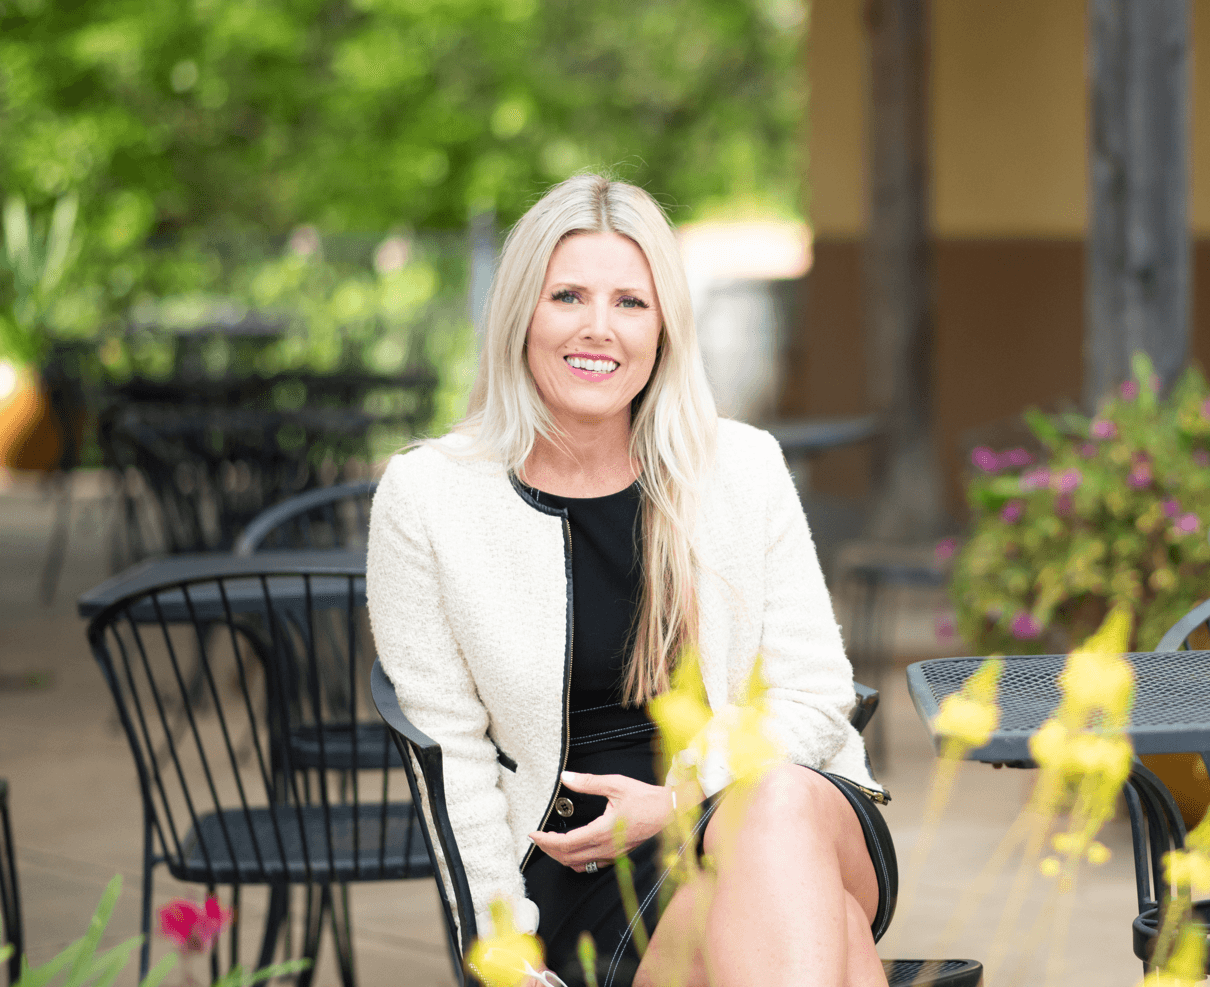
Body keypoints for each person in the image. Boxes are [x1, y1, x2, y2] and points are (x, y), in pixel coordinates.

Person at [367, 174, 896, 987]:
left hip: (779, 805)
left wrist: (681, 798)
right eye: (567, 296)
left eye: (630, 302)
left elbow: (814, 692)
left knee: (771, 806)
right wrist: (502, 954)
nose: (598, 327)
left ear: (663, 327)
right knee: (816, 938)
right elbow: (452, 764)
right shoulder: (429, 496)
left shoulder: (740, 466)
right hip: (580, 869)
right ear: (520, 312)